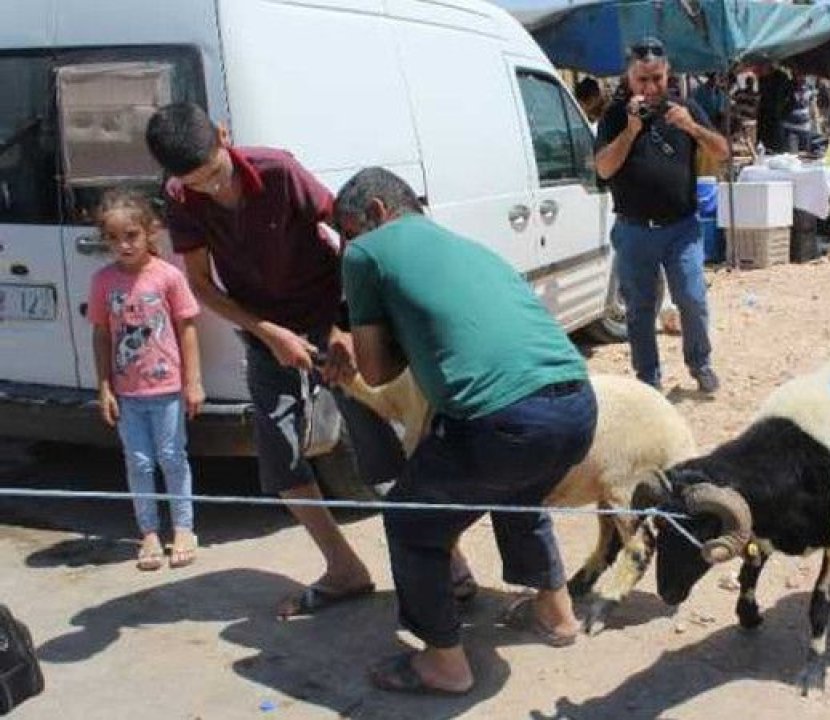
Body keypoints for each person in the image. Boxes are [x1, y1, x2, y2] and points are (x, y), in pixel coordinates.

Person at [333, 168, 598, 696]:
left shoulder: (366, 253)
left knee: (411, 519)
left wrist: (347, 352)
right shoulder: (470, 247)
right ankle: (556, 612)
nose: (349, 243)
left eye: (349, 229)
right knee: (518, 493)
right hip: (577, 406)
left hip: (504, 422)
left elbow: (378, 370)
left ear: (378, 213)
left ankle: (443, 664)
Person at [144, 103, 406, 617]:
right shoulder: (181, 197)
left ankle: (447, 564)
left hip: (329, 314)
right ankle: (344, 568)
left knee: (379, 445)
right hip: (264, 331)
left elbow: (352, 237)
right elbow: (200, 284)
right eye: (196, 183)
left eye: (214, 174)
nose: (212, 190)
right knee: (281, 458)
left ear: (224, 135)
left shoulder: (278, 170)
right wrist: (269, 334)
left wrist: (345, 327)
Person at [594, 37, 729, 393]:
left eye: (657, 78)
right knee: (639, 309)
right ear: (629, 78)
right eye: (643, 80)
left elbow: (723, 151)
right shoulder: (614, 116)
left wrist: (692, 127)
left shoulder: (684, 109)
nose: (651, 87)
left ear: (667, 74)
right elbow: (604, 169)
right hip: (634, 231)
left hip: (681, 228)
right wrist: (631, 130)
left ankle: (700, 363)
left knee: (692, 298)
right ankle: (648, 380)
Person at [88, 190, 203, 571]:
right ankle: (149, 532)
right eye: (113, 238)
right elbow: (102, 335)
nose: (123, 245)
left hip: (167, 389)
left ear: (149, 232)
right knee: (138, 462)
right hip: (127, 393)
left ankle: (183, 528)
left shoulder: (168, 276)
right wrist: (104, 386)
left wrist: (193, 382)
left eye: (131, 235)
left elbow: (186, 328)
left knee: (173, 458)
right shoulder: (103, 281)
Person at [756, 63, 795, 153]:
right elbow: (762, 97)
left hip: (776, 117)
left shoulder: (781, 78)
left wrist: (783, 113)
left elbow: (791, 99)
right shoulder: (762, 79)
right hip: (764, 117)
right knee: (764, 146)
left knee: (778, 145)